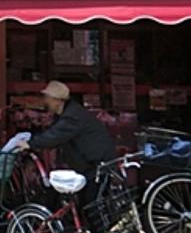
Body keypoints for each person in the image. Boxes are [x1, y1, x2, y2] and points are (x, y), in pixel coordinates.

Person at [17, 80, 117, 209]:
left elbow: (54, 136)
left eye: (47, 98)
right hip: (90, 165)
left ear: (58, 100)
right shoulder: (68, 113)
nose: (45, 101)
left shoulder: (72, 116)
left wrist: (30, 144)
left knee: (92, 206)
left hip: (97, 165)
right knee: (87, 204)